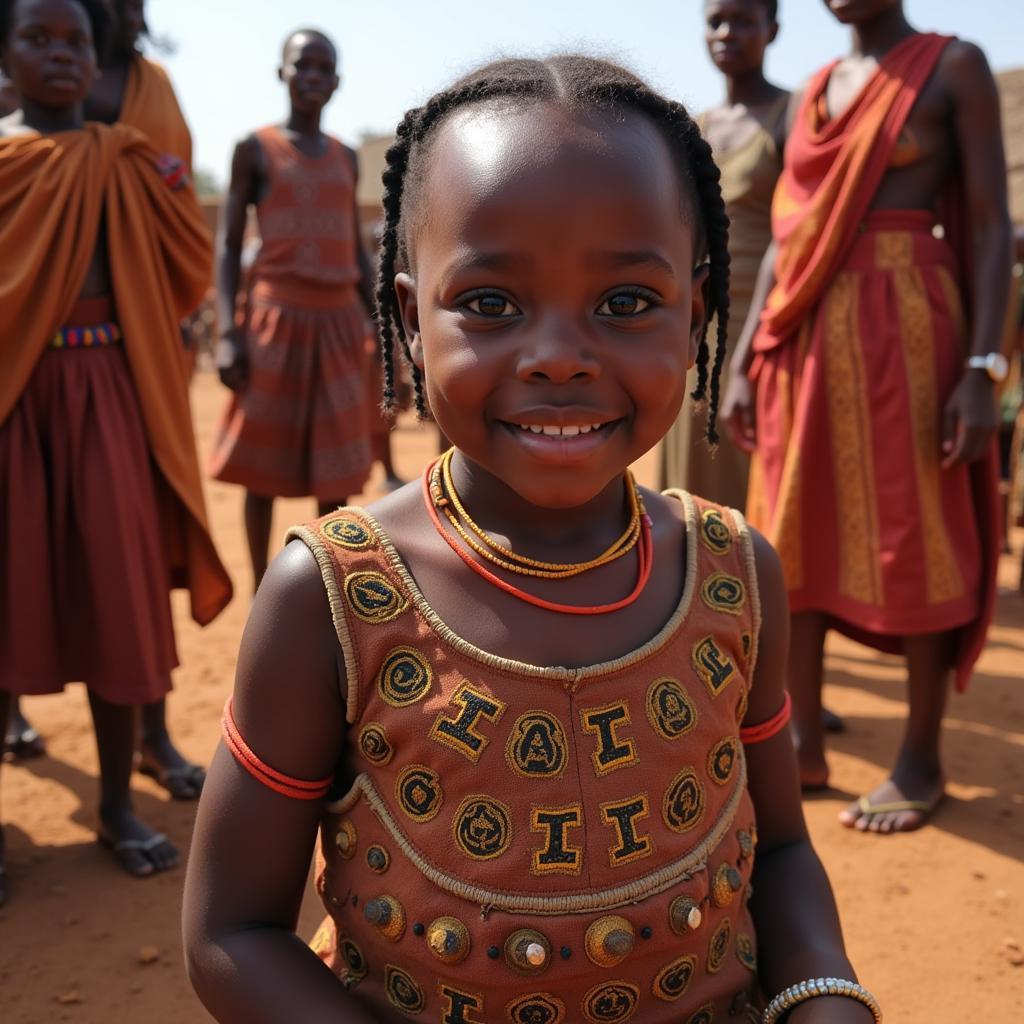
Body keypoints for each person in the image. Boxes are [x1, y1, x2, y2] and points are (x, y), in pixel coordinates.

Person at [184, 55, 880, 1023]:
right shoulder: (332, 594)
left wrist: (821, 996)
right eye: (491, 304)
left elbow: (780, 850)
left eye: (627, 303)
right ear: (407, 320)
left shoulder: (734, 571)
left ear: (698, 313)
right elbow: (232, 933)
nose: (557, 354)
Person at [723, 0, 1010, 832]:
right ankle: (802, 741)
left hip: (912, 325)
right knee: (792, 532)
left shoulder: (953, 64)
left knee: (918, 531)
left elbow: (990, 226)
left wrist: (985, 368)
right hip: (804, 332)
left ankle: (920, 758)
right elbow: (785, 234)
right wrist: (745, 357)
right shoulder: (817, 86)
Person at [0, 0, 231, 902]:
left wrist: (162, 183)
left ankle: (112, 803)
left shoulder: (124, 156)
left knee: (115, 596)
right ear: (2, 54)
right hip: (12, 401)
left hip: (108, 398)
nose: (61, 55)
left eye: (75, 42)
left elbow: (186, 262)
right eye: (36, 39)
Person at [208, 29, 375, 589]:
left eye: (323, 68)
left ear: (337, 82)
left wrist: (382, 321)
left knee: (337, 472)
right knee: (265, 468)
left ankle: (329, 591)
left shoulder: (347, 157)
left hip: (338, 325)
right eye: (301, 65)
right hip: (274, 320)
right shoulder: (254, 149)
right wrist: (229, 333)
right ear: (281, 72)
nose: (311, 77)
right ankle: (262, 591)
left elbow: (354, 248)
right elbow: (230, 244)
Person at [659, 0, 786, 512]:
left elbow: (799, 230)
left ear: (772, 29)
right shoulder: (695, 128)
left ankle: (749, 584)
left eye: (745, 20)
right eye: (716, 21)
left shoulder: (793, 116)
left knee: (749, 464)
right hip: (695, 317)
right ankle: (691, 585)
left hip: (767, 319)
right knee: (687, 458)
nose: (728, 32)